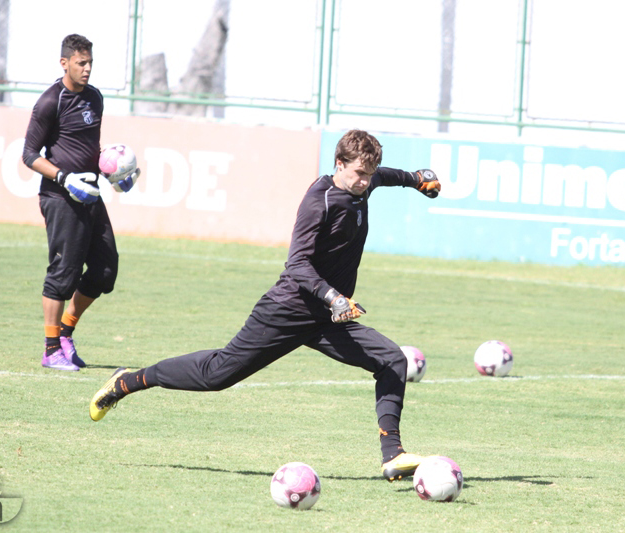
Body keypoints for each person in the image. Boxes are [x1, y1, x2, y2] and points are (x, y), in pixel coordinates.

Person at [89, 129, 441, 481]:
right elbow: (297, 264)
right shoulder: (321, 201)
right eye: (359, 174)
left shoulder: (364, 179)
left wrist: (416, 180)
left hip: (328, 318)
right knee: (217, 375)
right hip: (289, 309)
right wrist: (333, 297)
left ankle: (393, 455)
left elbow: (386, 176)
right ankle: (129, 381)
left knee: (392, 359)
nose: (366, 181)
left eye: (369, 174)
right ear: (339, 164)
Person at [22, 34, 139, 371]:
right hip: (61, 197)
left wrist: (115, 172)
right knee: (63, 274)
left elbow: (88, 146)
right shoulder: (50, 102)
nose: (87, 69)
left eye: (90, 63)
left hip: (91, 194)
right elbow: (29, 155)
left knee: (105, 271)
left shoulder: (95, 98)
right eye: (80, 63)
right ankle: (50, 350)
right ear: (65, 63)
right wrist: (64, 177)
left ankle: (65, 333)